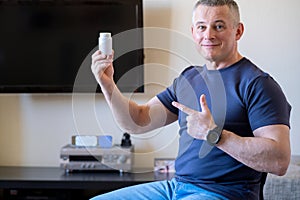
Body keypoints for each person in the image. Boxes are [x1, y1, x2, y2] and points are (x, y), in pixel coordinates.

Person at [90, 0, 291, 199]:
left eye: (218, 26)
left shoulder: (258, 84)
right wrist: (107, 84)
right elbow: (137, 121)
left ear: (238, 31)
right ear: (193, 32)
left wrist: (215, 135)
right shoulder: (189, 78)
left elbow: (280, 161)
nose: (208, 35)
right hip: (176, 188)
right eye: (201, 27)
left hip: (225, 193)